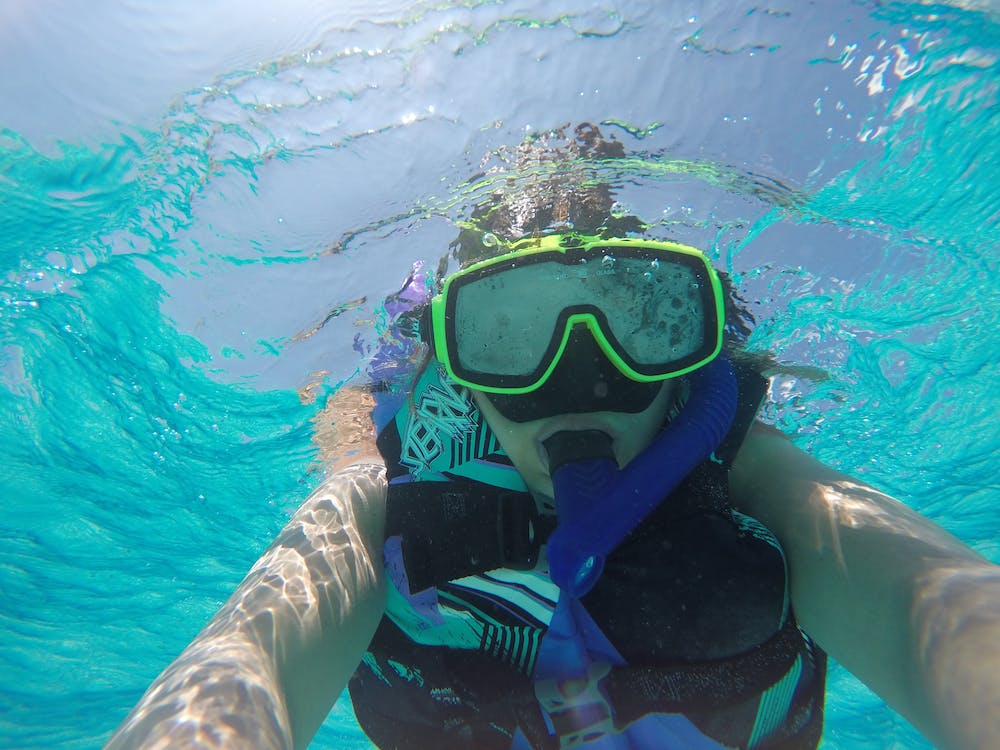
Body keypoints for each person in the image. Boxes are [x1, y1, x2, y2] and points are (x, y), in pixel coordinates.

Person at [106, 126, 1000, 750]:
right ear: (453, 363)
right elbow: (261, 648)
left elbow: (917, 602)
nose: (579, 376)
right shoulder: (381, 474)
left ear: (688, 345)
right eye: (508, 333)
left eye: (634, 319)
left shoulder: (749, 464)